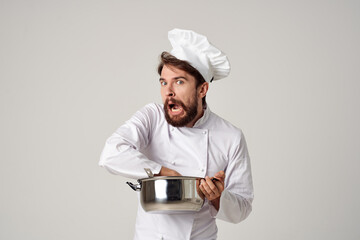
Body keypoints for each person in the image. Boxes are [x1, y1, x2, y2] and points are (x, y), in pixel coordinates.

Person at [99, 28, 254, 240]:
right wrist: (162, 172)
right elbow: (111, 153)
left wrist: (218, 197)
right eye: (164, 82)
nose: (168, 91)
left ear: (202, 89)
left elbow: (242, 209)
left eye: (179, 82)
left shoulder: (230, 136)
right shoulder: (153, 117)